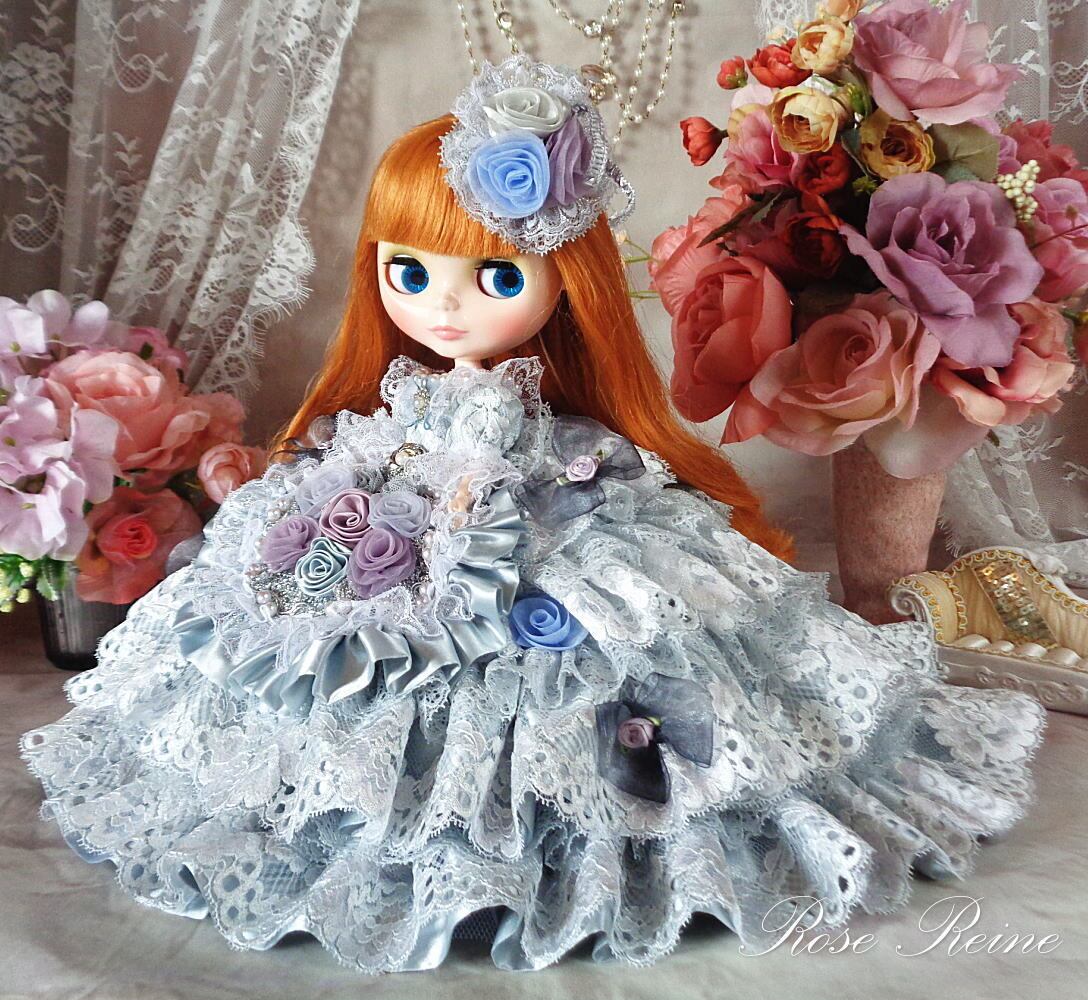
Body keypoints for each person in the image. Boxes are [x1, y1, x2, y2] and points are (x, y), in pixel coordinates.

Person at [22, 57, 1045, 974]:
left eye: (496, 277)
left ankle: (561, 837)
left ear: (564, 280)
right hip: (390, 509)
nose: (442, 307)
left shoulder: (554, 422)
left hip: (544, 505)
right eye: (407, 273)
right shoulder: (381, 416)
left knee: (601, 649)